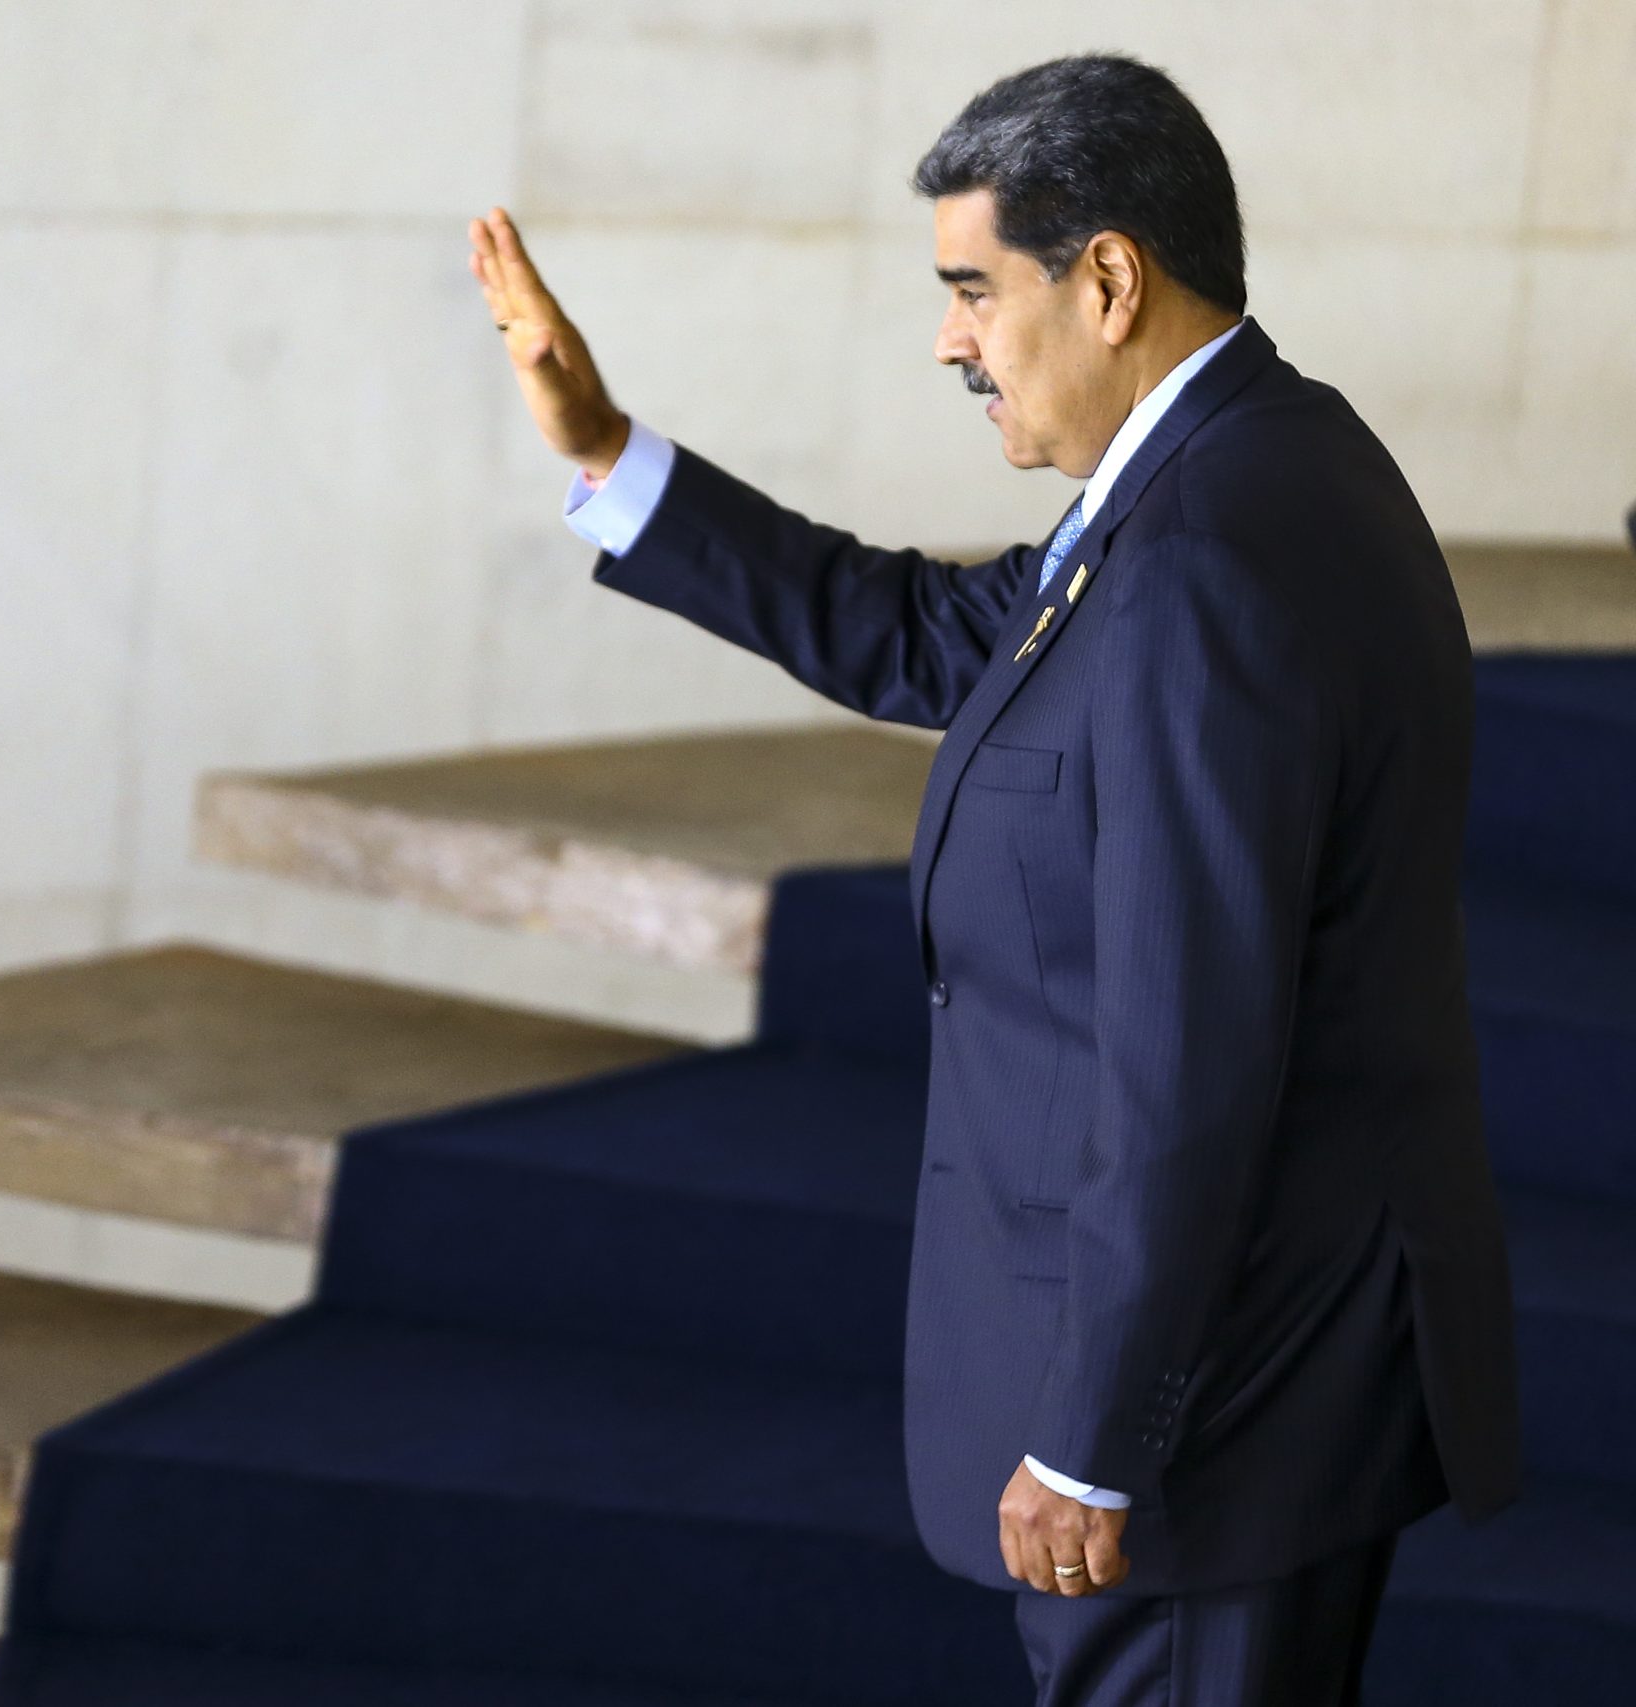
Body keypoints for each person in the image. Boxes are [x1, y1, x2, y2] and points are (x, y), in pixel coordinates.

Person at [468, 52, 1520, 1707]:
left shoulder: (1199, 565)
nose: (950, 338)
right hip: (1283, 1379)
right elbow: (930, 634)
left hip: (1207, 1436)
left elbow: (1191, 1058)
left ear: (1108, 278)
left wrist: (1097, 1443)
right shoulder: (1247, 467)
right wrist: (608, 453)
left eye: (973, 289)